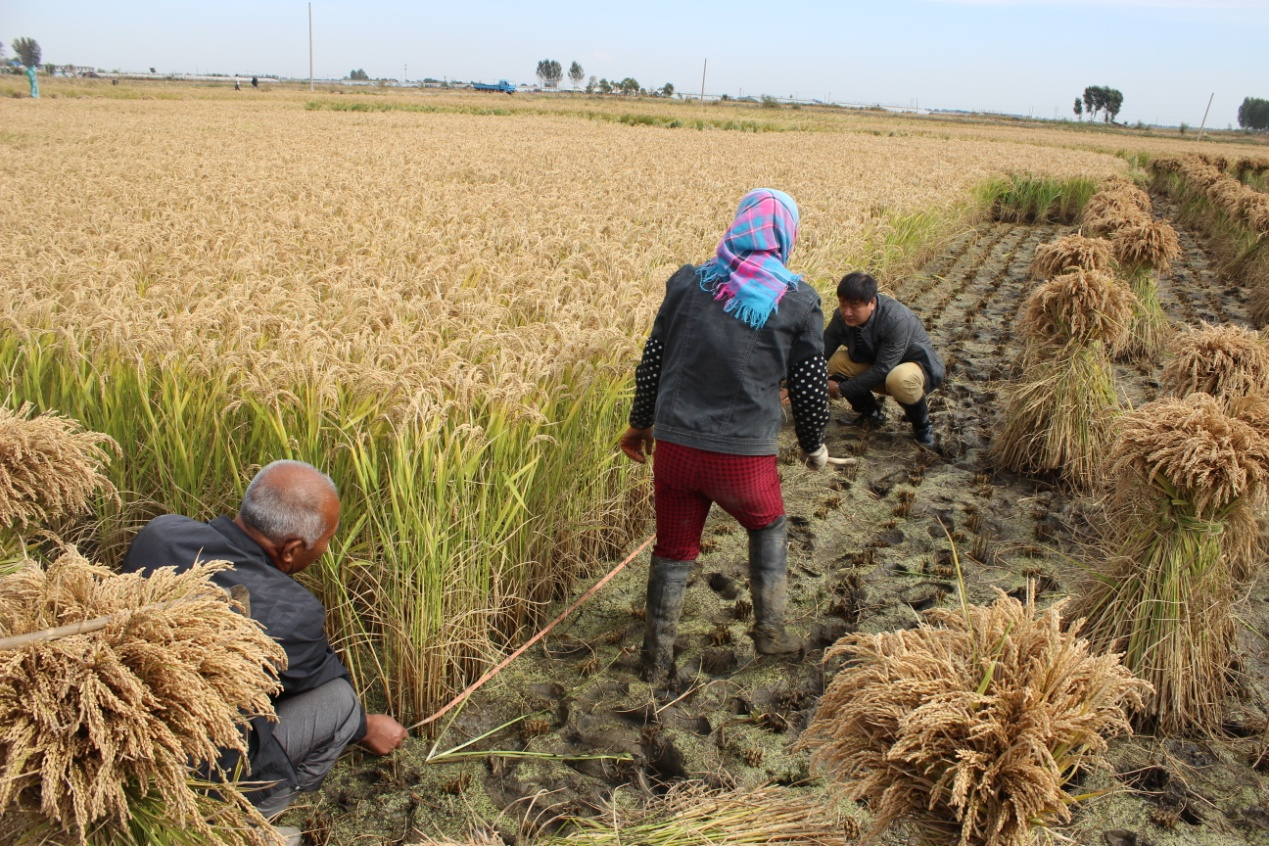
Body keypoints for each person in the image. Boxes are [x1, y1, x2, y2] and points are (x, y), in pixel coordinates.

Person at [620, 188, 830, 685]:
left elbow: (653, 360)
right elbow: (809, 386)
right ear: (785, 233)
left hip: (673, 451)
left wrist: (640, 423)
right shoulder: (796, 299)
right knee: (768, 526)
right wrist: (813, 445)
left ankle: (655, 659)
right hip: (742, 460)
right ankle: (771, 632)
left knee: (673, 549)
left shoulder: (688, 283)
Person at [121, 460, 407, 821]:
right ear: (291, 550)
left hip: (125, 725)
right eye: (326, 540)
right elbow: (318, 682)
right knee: (342, 704)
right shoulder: (292, 611)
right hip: (192, 766)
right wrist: (366, 727)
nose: (326, 550)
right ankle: (245, 822)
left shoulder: (161, 532)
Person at [823, 271, 944, 448]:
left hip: (916, 368)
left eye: (854, 307)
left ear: (871, 303)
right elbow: (821, 350)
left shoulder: (896, 320)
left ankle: (923, 429)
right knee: (837, 362)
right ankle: (870, 414)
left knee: (899, 378)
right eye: (843, 304)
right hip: (879, 364)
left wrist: (841, 389)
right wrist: (793, 381)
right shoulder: (841, 317)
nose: (847, 312)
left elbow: (883, 369)